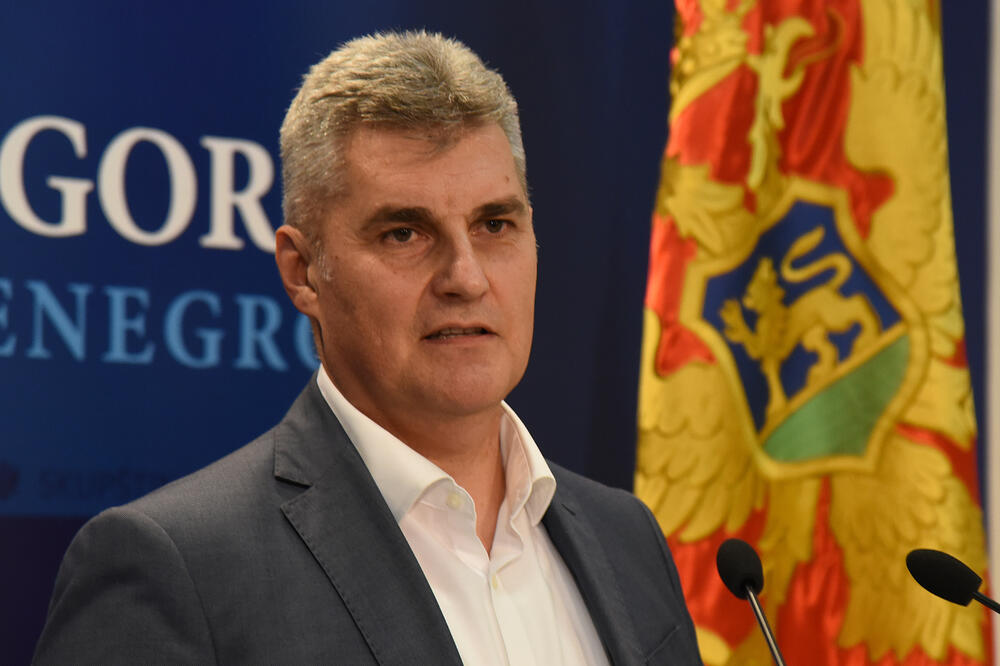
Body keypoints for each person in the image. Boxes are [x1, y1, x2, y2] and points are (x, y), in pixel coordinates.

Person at [33, 31, 702, 665]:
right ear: (303, 272)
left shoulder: (628, 537)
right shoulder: (175, 568)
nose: (467, 277)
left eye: (495, 224)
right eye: (404, 234)